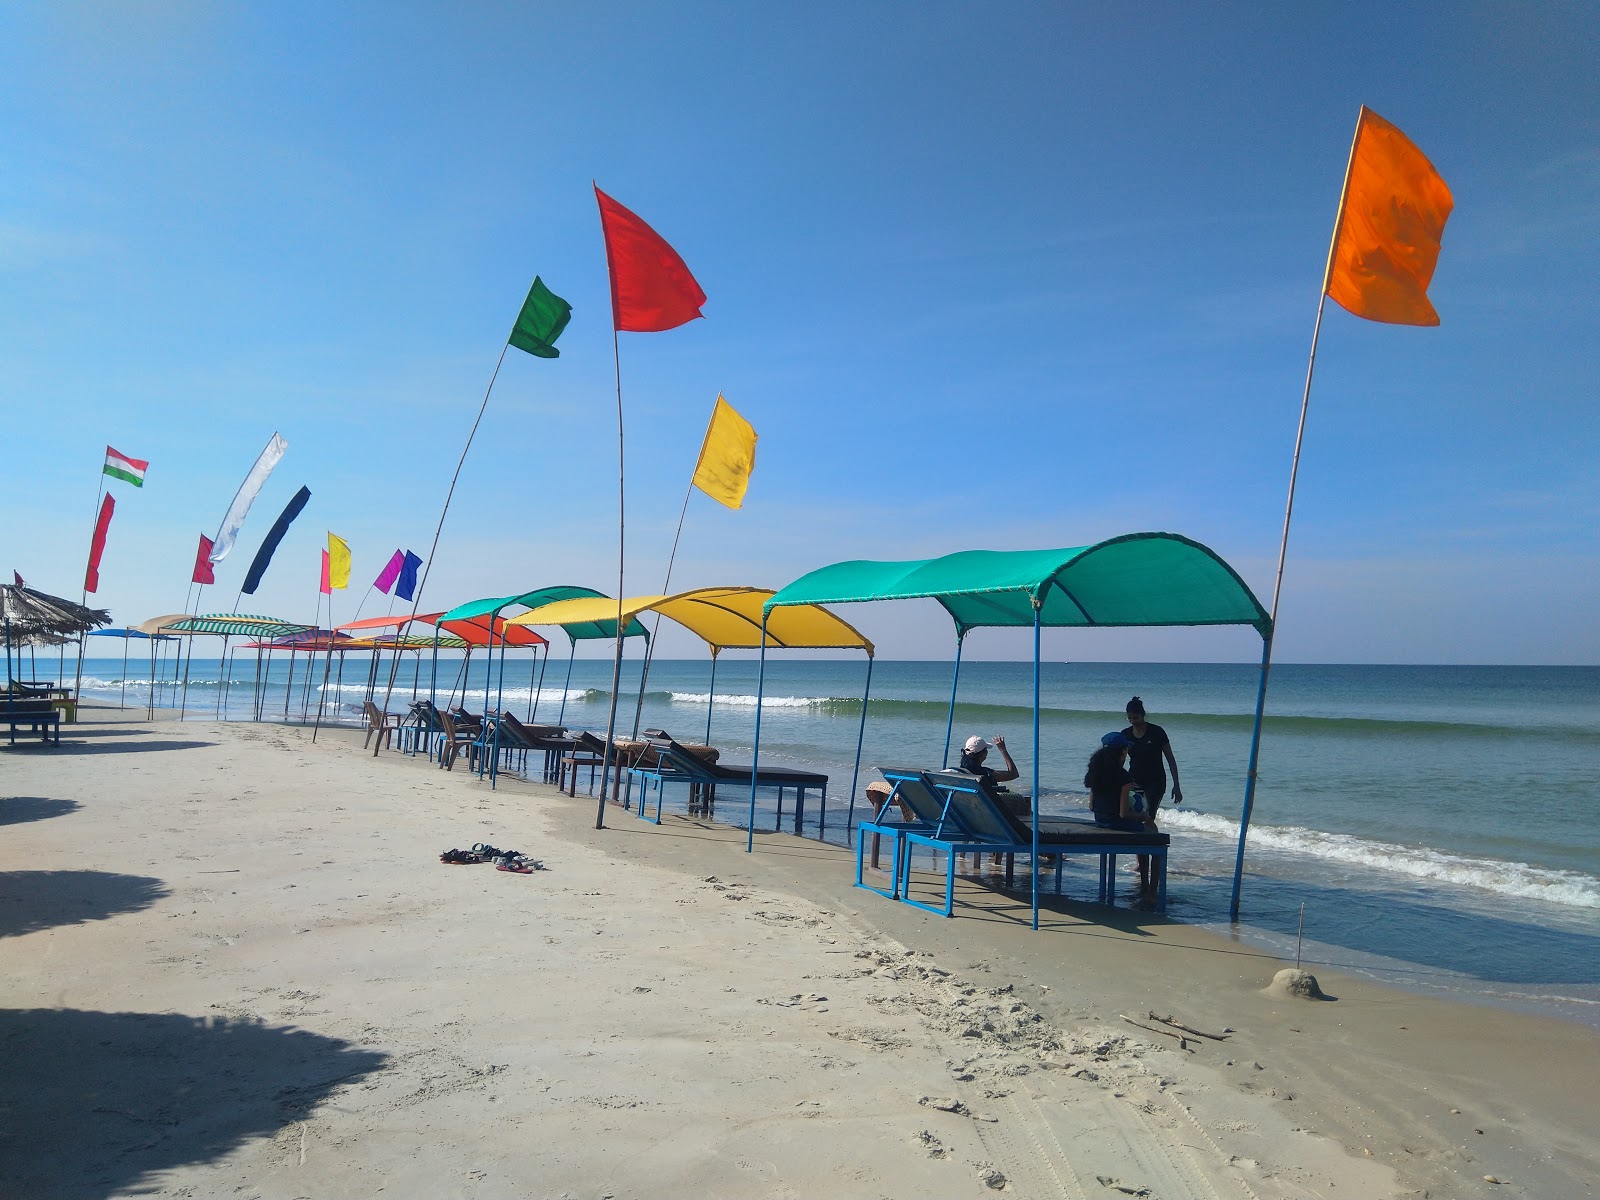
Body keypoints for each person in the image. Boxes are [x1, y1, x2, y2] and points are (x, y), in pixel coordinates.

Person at [1084, 731, 1157, 897]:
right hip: (1117, 824)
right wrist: (1142, 816)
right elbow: (1123, 814)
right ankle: (1149, 889)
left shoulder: (1096, 772)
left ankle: (1147, 887)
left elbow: (1091, 805)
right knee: (1153, 835)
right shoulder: (1123, 776)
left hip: (1101, 821)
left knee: (1145, 832)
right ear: (1123, 751)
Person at [1122, 696, 1181, 816]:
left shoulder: (1157, 732)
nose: (1133, 721)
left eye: (1136, 718)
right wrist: (1119, 781)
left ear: (1143, 715)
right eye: (1129, 718)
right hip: (1133, 781)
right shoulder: (1125, 734)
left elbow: (1170, 759)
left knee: (1148, 816)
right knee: (1132, 815)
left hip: (1155, 782)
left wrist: (1176, 785)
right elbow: (1120, 760)